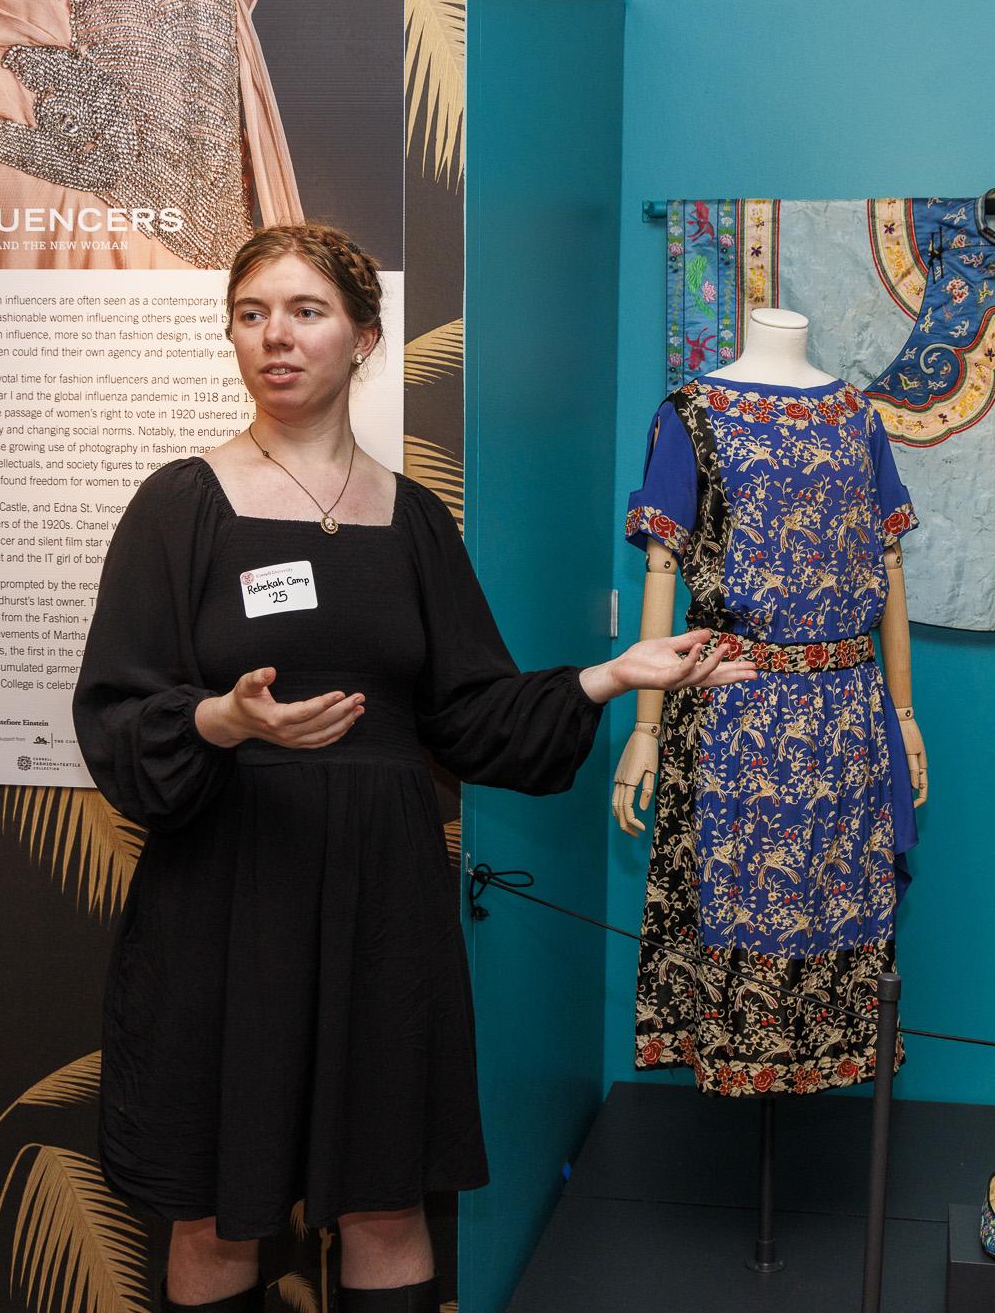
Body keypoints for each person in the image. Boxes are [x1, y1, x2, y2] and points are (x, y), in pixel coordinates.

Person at [72, 222, 756, 1313]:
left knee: (386, 1202)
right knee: (215, 1204)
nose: (274, 339)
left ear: (365, 338)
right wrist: (223, 719)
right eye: (251, 315)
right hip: (225, 900)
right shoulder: (180, 504)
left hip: (383, 903)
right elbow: (115, 710)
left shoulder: (413, 518)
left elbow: (475, 715)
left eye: (305, 313)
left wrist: (610, 675)